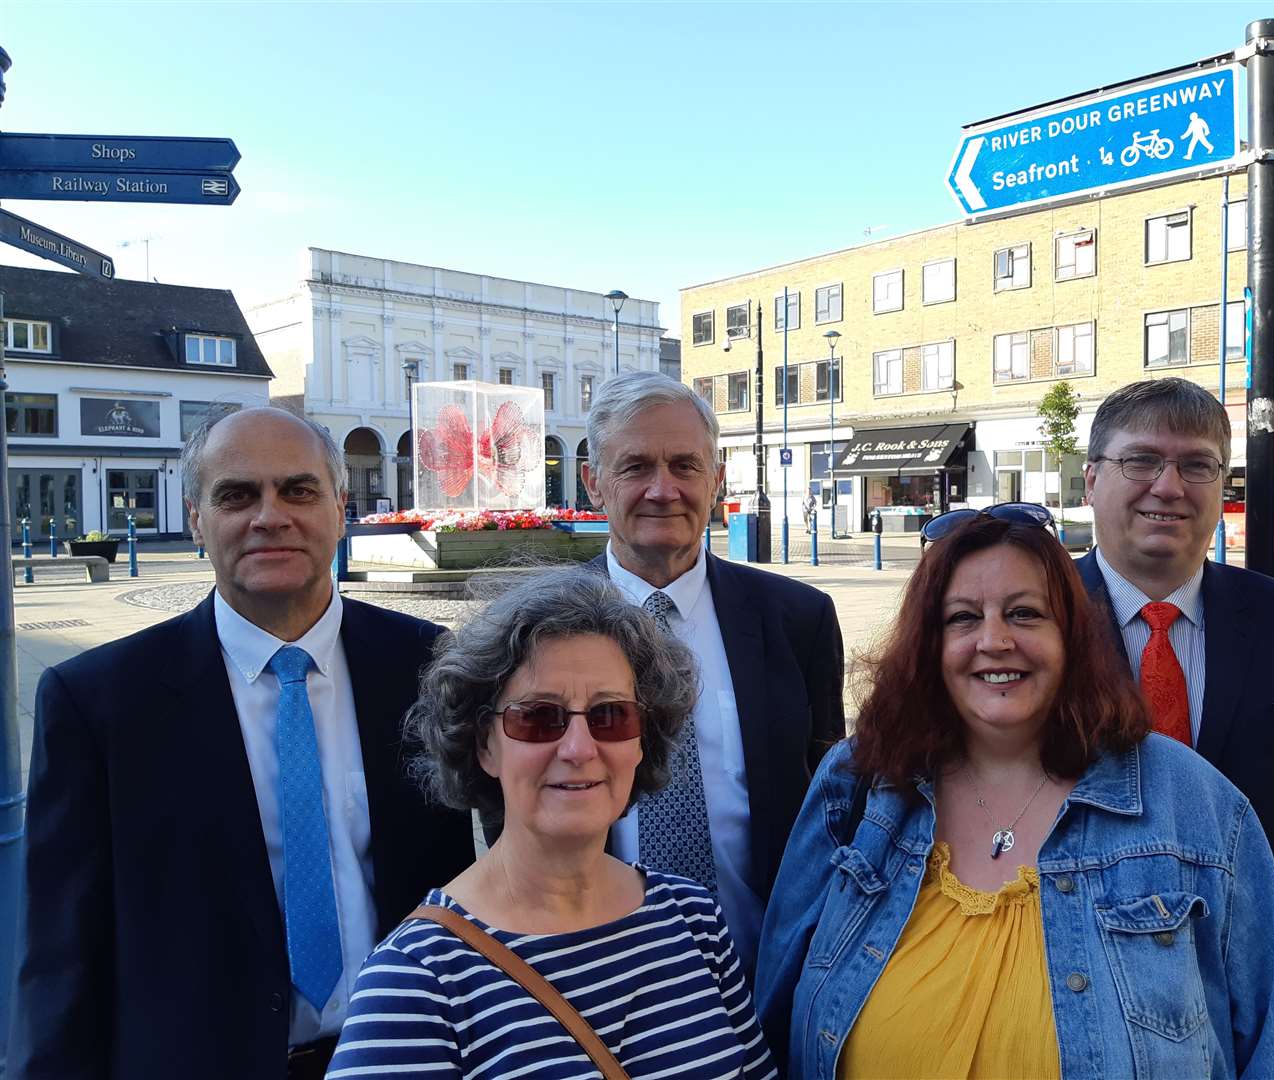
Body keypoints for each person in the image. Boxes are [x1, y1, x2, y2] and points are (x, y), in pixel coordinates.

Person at [756, 506, 1274, 1078]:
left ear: (1072, 637)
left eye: (1025, 614)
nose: (994, 640)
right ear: (928, 645)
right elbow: (774, 1021)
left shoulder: (1194, 804)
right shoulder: (860, 783)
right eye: (962, 618)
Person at [10, 407, 476, 1080]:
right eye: (237, 494)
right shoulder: (99, 702)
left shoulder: (427, 666)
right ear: (197, 517)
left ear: (340, 508)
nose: (270, 515)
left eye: (298, 489)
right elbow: (61, 955)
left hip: (406, 1056)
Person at [328, 568, 777, 1077]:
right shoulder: (417, 981)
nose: (580, 749)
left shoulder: (694, 921)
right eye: (539, 717)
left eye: (611, 716)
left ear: (641, 742)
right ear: (482, 745)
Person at [1078, 377, 1274, 1076]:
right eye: (1141, 461)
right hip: (1074, 1013)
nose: (1169, 485)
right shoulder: (1028, 624)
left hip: (1265, 1025)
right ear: (1092, 479)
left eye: (1197, 465)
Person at [574, 371, 846, 976]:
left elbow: (830, 797)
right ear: (594, 483)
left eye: (684, 465)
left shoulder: (799, 619)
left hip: (770, 973)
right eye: (636, 466)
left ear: (717, 479)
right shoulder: (539, 628)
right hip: (594, 980)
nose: (662, 489)